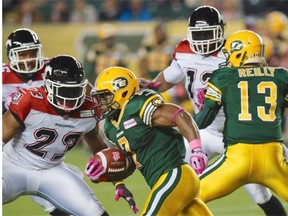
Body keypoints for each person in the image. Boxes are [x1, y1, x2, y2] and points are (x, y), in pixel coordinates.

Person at [139, 5, 287, 215]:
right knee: (175, 184)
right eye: (198, 35)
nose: (203, 40)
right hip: (201, 132)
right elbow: (169, 77)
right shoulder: (184, 51)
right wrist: (152, 86)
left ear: (221, 30)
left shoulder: (235, 52)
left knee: (260, 195)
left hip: (235, 135)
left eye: (208, 34)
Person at [2, 55, 136, 215]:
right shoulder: (29, 101)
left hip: (52, 171)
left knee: (95, 212)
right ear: (49, 86)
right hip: (11, 167)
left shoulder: (90, 110)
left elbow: (100, 151)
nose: (70, 97)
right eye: (64, 90)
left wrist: (118, 183)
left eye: (75, 89)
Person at [85, 66, 212, 215]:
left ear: (121, 92)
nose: (101, 103)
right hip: (164, 181)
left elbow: (179, 115)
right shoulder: (110, 127)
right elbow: (131, 162)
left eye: (105, 97)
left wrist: (196, 148)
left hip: (175, 175)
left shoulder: (137, 106)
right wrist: (110, 176)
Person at [194, 29, 288, 206]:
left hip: (238, 159)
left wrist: (196, 112)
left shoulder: (223, 77)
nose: (227, 58)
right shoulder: (281, 76)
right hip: (273, 159)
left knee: (188, 196)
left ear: (240, 52)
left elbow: (202, 122)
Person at [2, 28, 72, 216]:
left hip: (39, 148)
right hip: (7, 144)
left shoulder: (53, 70)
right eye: (22, 54)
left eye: (32, 53)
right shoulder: (2, 76)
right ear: (11, 56)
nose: (29, 59)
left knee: (61, 204)